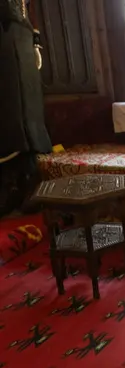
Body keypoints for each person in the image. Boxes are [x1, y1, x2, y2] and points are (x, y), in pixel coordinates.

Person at [0, 0, 51, 216]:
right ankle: (11, 190)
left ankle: (28, 185)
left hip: (23, 38)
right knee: (10, 102)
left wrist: (35, 42)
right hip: (4, 38)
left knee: (29, 102)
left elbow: (30, 9)